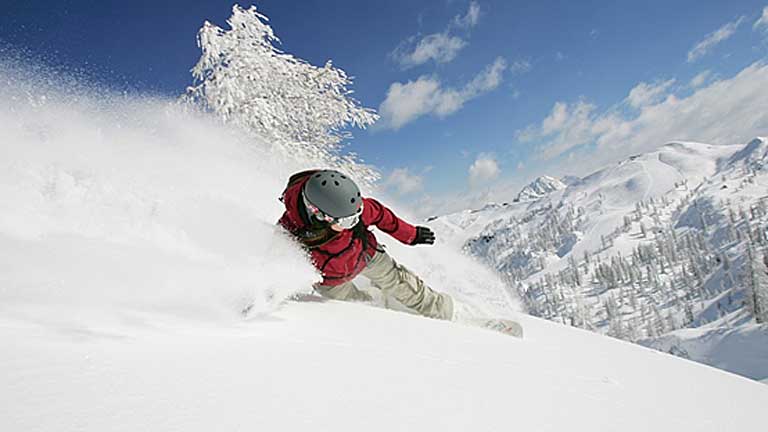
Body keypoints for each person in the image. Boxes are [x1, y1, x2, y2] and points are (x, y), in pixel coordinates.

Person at [277, 169, 455, 320]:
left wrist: (411, 234)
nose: (354, 222)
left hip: (367, 255)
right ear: (319, 215)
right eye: (347, 221)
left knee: (403, 285)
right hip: (331, 282)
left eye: (357, 215)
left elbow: (383, 216)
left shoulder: (351, 207)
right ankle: (380, 309)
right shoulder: (289, 231)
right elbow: (276, 262)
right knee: (360, 308)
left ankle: (443, 312)